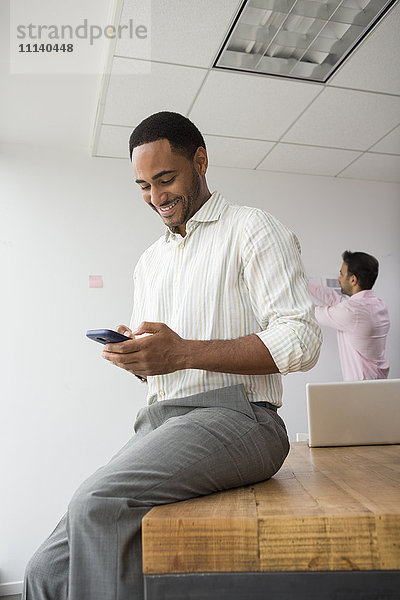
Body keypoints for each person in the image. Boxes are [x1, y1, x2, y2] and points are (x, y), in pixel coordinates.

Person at [24, 111, 322, 600]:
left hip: (243, 420)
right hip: (161, 420)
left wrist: (180, 352)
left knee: (98, 502)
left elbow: (302, 339)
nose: (156, 197)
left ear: (200, 161)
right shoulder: (150, 263)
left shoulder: (252, 229)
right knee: (44, 570)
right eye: (143, 185)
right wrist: (141, 358)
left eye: (166, 179)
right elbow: (164, 368)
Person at [309, 251, 390, 381]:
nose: (338, 278)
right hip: (378, 385)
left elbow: (312, 312)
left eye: (341, 274)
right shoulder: (378, 305)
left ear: (353, 280)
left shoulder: (352, 312)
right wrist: (303, 282)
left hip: (362, 390)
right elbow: (334, 298)